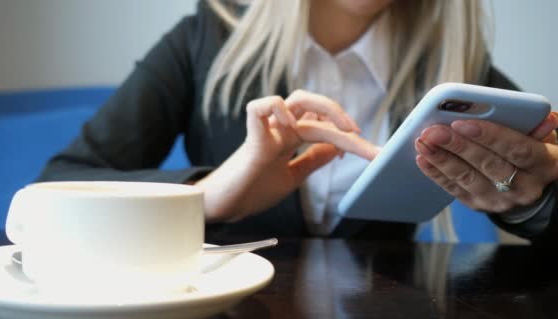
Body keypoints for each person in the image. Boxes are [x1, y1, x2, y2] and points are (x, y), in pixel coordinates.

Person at [38, 0, 558, 242]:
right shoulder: (203, 40)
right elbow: (52, 192)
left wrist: (531, 202)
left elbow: (543, 195)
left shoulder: (456, 74)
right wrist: (212, 194)